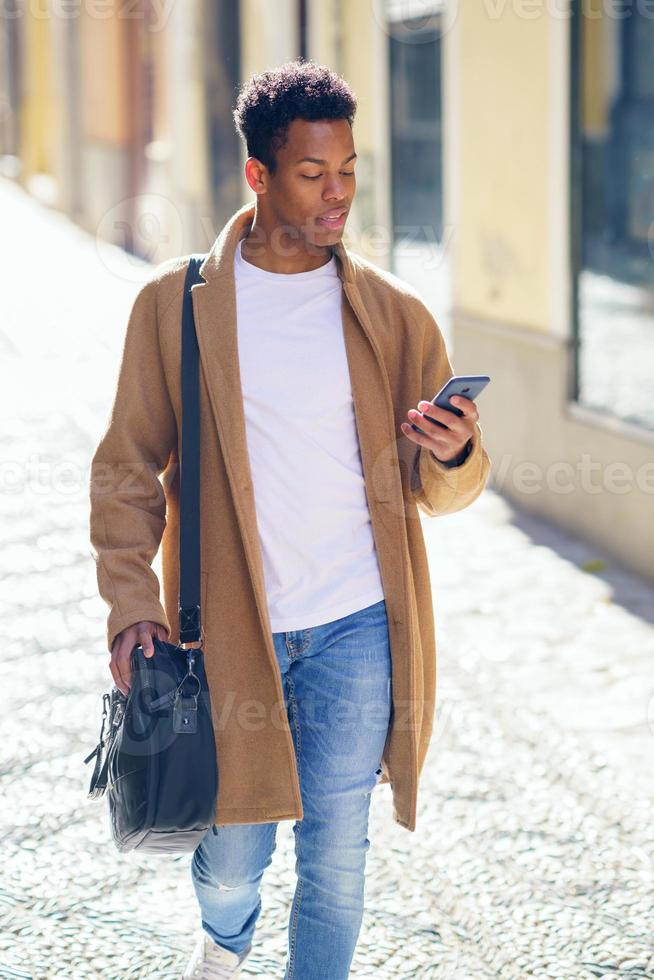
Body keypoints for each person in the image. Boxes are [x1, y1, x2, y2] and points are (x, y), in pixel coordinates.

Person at [89, 58, 491, 980]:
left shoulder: (393, 316)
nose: (337, 193)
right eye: (313, 173)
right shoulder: (176, 307)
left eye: (349, 170)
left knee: (336, 861)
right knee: (233, 863)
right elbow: (125, 469)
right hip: (228, 632)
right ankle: (222, 945)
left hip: (355, 626)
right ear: (259, 176)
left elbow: (450, 492)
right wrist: (130, 603)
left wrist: (455, 451)